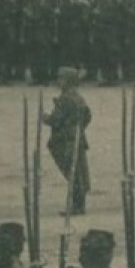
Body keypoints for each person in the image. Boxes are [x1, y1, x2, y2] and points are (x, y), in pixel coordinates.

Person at [44, 68, 91, 215]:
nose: (59, 81)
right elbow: (88, 116)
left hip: (66, 140)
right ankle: (79, 205)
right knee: (78, 172)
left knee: (73, 173)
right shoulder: (78, 97)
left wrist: (44, 118)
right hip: (77, 138)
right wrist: (79, 127)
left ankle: (77, 207)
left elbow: (56, 120)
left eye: (62, 79)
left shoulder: (65, 99)